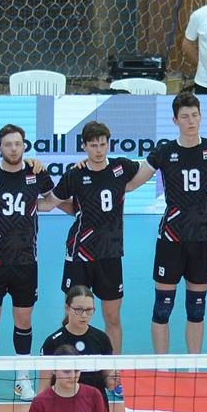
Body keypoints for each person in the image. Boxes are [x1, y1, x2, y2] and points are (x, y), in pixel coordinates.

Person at [123, 92, 207, 354]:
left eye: (195, 115)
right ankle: (162, 368)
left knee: (196, 310)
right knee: (162, 308)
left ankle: (194, 367)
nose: (191, 121)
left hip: (201, 240)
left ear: (201, 117)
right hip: (171, 240)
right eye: (185, 117)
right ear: (175, 120)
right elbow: (131, 184)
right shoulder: (164, 153)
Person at [0, 124, 56, 401]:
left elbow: (51, 200)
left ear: (24, 145)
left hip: (25, 261)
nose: (14, 149)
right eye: (8, 144)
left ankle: (22, 379)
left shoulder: (36, 173)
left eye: (18, 144)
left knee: (23, 320)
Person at [44, 121, 140, 367]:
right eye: (94, 145)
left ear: (108, 144)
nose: (99, 150)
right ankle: (67, 368)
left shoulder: (121, 167)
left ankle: (112, 371)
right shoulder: (75, 174)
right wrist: (76, 210)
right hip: (80, 254)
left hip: (110, 253)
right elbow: (50, 202)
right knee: (72, 315)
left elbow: (146, 171)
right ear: (84, 146)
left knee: (112, 317)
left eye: (103, 145)